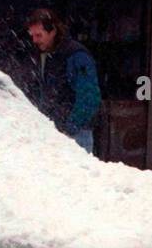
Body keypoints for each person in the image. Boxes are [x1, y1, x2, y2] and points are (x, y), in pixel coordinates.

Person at [25, 8, 101, 153]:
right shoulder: (44, 55)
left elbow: (89, 97)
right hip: (53, 132)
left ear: (52, 31)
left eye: (39, 35)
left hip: (76, 135)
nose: (34, 40)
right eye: (32, 35)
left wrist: (70, 128)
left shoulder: (76, 55)